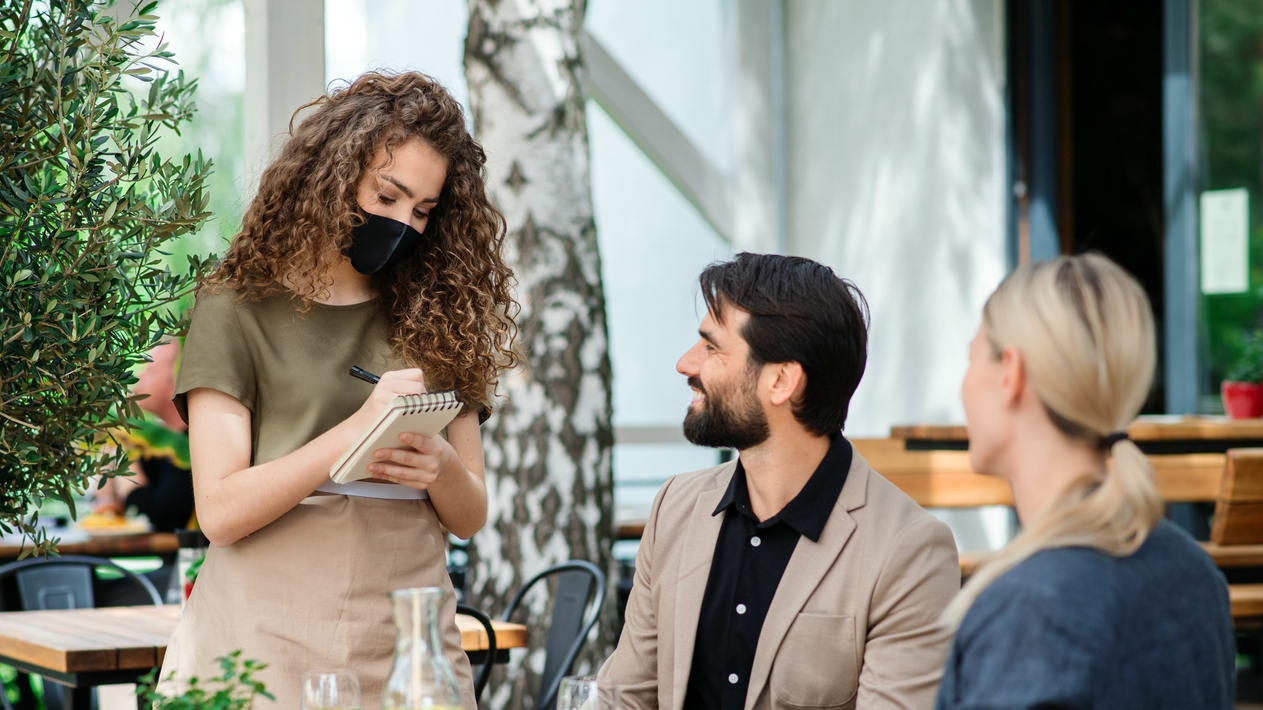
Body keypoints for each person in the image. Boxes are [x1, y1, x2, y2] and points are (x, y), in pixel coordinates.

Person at [158, 71, 518, 709]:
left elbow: (469, 515)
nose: (403, 222)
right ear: (330, 175)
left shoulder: (440, 313)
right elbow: (218, 513)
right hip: (262, 635)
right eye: (388, 195)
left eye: (424, 211)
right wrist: (356, 431)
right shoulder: (233, 307)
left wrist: (438, 467)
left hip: (407, 639)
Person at [599, 253, 961, 709]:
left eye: (711, 348)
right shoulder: (675, 506)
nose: (685, 364)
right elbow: (624, 696)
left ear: (781, 381)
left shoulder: (909, 551)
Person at [936, 254, 1235, 709]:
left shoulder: (1029, 612)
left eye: (972, 357)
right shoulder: (1194, 574)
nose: (964, 383)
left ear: (1010, 373)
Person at [95, 339, 196, 533]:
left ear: (175, 381)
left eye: (149, 372)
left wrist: (128, 475)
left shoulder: (190, 444)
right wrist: (107, 495)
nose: (139, 379)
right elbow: (114, 504)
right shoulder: (161, 442)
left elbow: (166, 517)